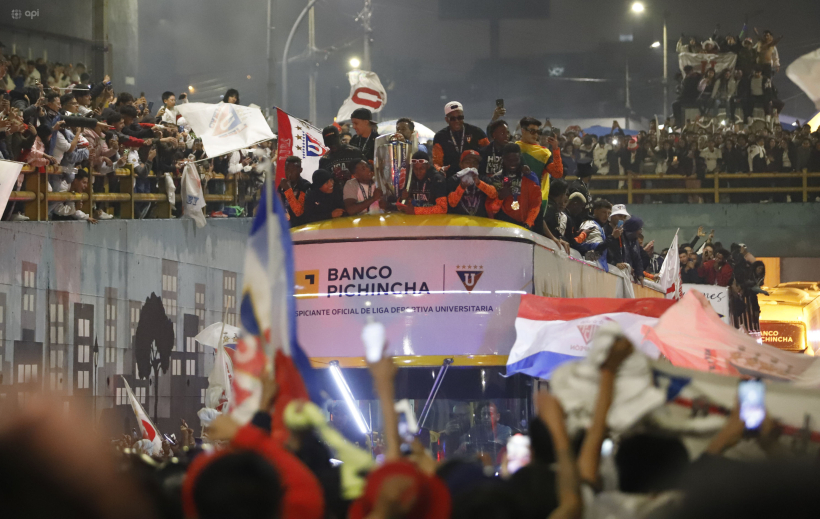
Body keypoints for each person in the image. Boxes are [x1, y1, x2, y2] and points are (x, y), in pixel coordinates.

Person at [486, 143, 541, 229]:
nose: (512, 163)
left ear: (520, 159)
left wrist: (528, 223)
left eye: (516, 160)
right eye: (509, 160)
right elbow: (490, 210)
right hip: (503, 227)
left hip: (527, 227)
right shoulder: (495, 179)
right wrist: (500, 198)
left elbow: (536, 204)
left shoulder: (530, 177)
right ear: (503, 159)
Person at [516, 116, 563, 213]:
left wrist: (555, 149)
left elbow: (557, 173)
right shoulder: (514, 148)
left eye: (538, 132)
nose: (536, 135)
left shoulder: (543, 153)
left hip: (535, 203)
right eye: (532, 131)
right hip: (515, 199)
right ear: (523, 131)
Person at [432, 101, 490, 176]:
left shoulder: (476, 132)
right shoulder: (440, 136)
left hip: (476, 177)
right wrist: (440, 169)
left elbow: (489, 153)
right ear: (447, 119)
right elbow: (436, 163)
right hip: (451, 178)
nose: (457, 121)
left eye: (460, 118)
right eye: (453, 118)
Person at [447, 150, 498, 218]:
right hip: (458, 221)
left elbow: (494, 194)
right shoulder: (454, 179)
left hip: (481, 221)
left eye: (474, 163)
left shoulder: (483, 179)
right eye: (468, 163)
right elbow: (452, 203)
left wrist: (479, 183)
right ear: (461, 165)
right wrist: (461, 187)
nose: (471, 166)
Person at [317, 125, 364, 199]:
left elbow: (366, 171)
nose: (332, 146)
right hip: (336, 198)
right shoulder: (324, 160)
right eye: (329, 144)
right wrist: (333, 177)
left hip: (358, 193)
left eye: (334, 143)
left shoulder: (354, 152)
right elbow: (321, 182)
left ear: (339, 137)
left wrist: (350, 174)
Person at [397, 150, 447, 215]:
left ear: (428, 166)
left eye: (421, 168)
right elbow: (404, 206)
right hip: (414, 222)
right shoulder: (410, 178)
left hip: (433, 222)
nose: (418, 172)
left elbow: (443, 208)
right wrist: (402, 199)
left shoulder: (437, 179)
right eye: (415, 169)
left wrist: (416, 211)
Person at [278, 156, 312, 227]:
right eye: (287, 169)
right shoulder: (283, 185)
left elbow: (299, 212)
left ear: (300, 170)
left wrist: (288, 190)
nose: (289, 173)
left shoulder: (305, 186)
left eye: (293, 170)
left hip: (301, 227)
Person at [541, 178, 571, 253]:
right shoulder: (551, 208)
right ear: (561, 195)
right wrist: (553, 238)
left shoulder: (546, 203)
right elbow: (541, 221)